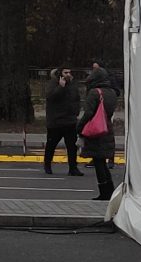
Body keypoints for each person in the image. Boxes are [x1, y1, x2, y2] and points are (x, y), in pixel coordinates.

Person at [80, 66, 118, 198]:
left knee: (98, 163)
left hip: (95, 130)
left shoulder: (94, 93)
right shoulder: (112, 92)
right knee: (102, 162)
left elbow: (88, 113)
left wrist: (80, 127)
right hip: (106, 127)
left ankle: (104, 192)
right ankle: (109, 189)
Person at [43, 67, 84, 176]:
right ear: (60, 73)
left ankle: (73, 168)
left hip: (70, 121)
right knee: (51, 145)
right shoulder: (53, 84)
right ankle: (47, 165)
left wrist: (76, 112)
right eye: (65, 72)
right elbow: (51, 97)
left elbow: (76, 99)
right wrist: (61, 87)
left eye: (69, 72)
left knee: (72, 146)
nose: (68, 74)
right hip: (56, 122)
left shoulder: (72, 85)